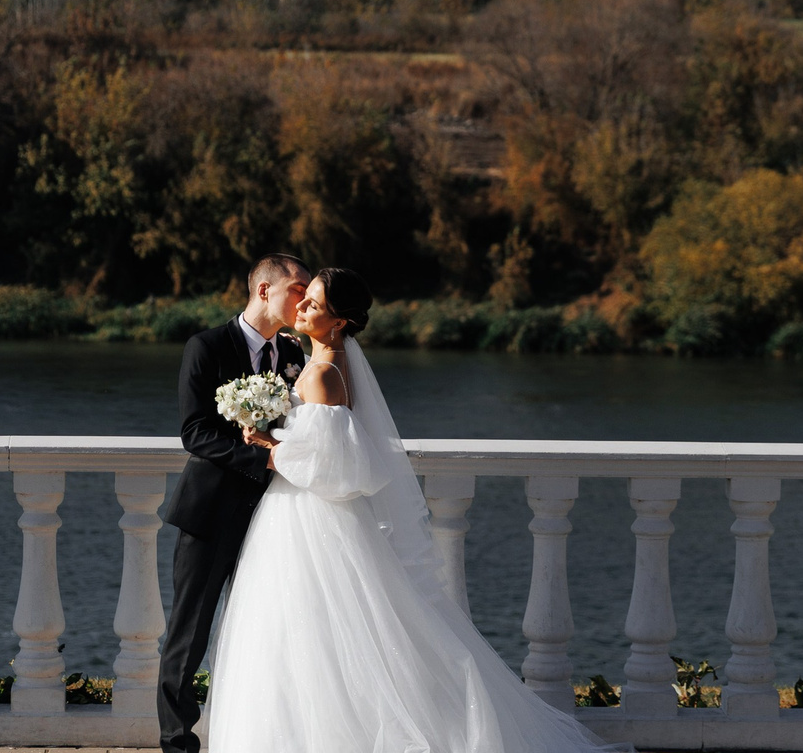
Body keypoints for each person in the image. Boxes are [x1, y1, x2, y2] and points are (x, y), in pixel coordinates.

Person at [200, 266, 620, 753]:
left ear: (337, 323)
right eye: (305, 298)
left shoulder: (320, 375)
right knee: (319, 637)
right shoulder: (326, 364)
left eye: (313, 304)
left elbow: (335, 469)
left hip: (310, 519)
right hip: (307, 517)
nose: (301, 308)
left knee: (307, 633)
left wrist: (266, 446)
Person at [159, 254, 310, 753]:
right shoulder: (205, 346)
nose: (305, 299)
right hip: (209, 515)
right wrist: (261, 459)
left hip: (273, 519)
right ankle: (179, 745)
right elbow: (195, 432)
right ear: (265, 291)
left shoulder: (294, 354)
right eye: (297, 289)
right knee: (189, 639)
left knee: (262, 637)